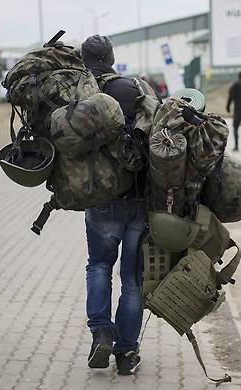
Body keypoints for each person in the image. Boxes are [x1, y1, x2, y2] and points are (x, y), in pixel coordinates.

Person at [80, 35, 148, 376]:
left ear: (83, 58)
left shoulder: (77, 93)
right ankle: (126, 352)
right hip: (137, 199)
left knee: (99, 266)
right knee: (133, 279)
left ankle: (101, 331)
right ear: (111, 58)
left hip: (99, 200)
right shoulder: (132, 89)